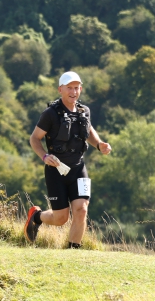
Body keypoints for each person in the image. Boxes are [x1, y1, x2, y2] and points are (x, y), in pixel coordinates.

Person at [26, 71, 111, 248]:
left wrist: (99, 144)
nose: (73, 91)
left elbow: (88, 130)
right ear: (60, 89)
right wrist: (44, 156)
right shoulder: (50, 113)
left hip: (79, 168)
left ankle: (73, 250)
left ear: (80, 89)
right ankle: (36, 217)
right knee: (60, 218)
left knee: (81, 210)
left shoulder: (84, 111)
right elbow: (34, 138)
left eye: (76, 88)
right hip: (56, 171)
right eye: (69, 88)